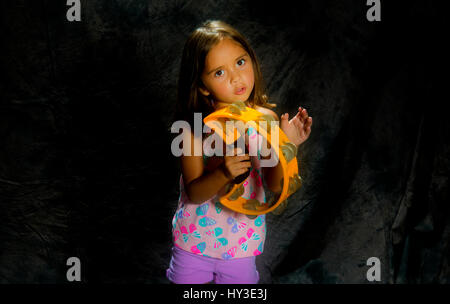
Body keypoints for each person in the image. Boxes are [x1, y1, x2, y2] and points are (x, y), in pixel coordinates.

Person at [166, 20, 313, 284]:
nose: (236, 77)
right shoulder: (194, 129)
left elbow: (272, 183)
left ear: (251, 60)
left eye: (240, 62)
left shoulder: (265, 120)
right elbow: (195, 192)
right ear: (202, 85)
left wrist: (287, 146)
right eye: (219, 73)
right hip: (193, 243)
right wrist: (223, 172)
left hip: (241, 246)